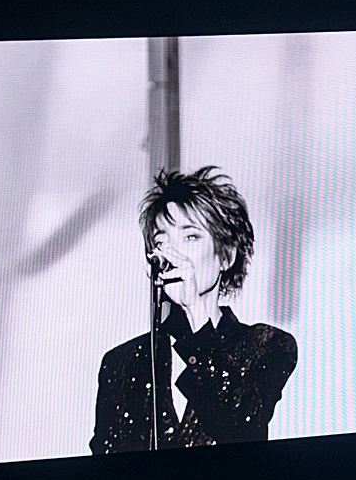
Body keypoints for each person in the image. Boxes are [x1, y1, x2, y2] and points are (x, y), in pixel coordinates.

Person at [91, 167, 297, 453]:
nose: (173, 252)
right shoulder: (123, 361)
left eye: (190, 237)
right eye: (161, 240)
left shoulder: (266, 344)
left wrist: (195, 312)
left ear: (226, 256)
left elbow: (241, 427)